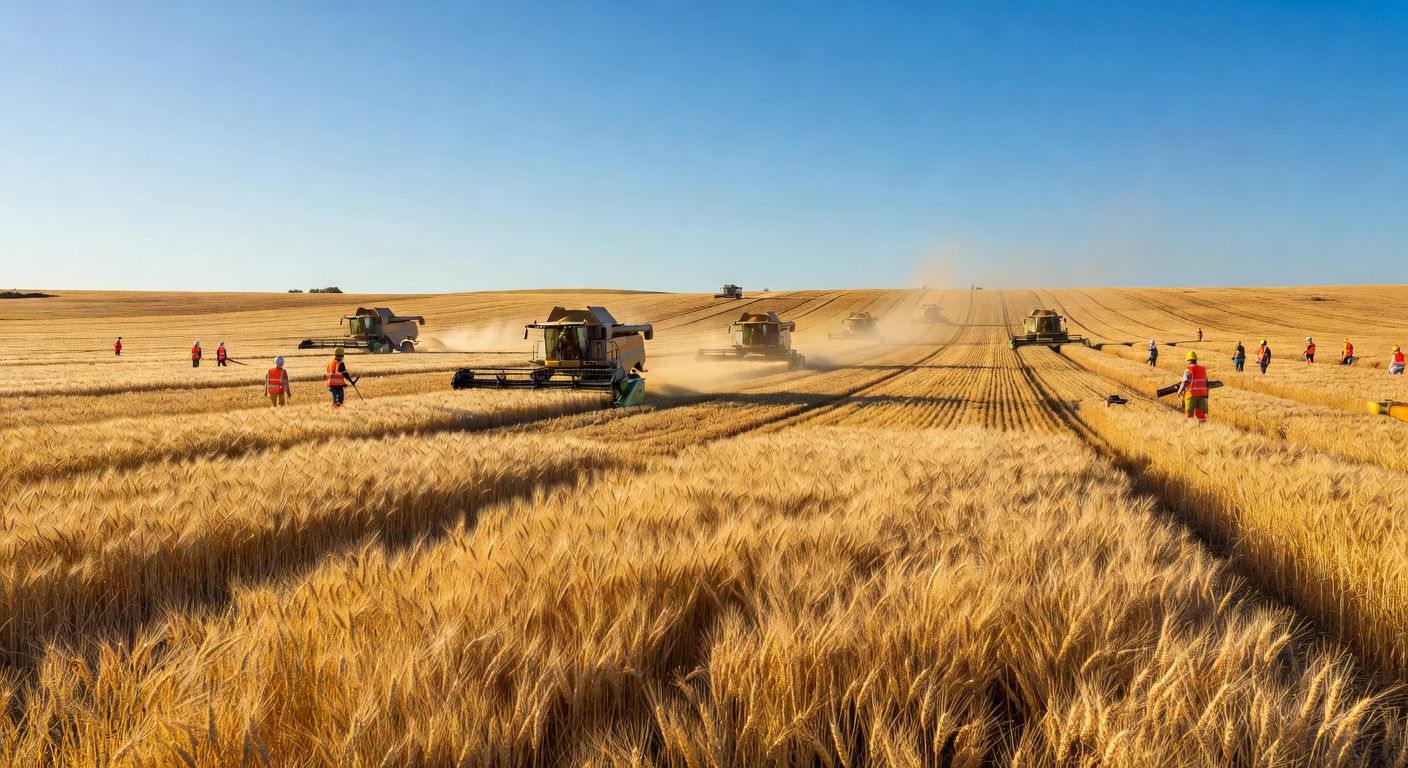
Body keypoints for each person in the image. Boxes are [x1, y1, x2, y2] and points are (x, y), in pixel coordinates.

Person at [1178, 351, 1209, 424]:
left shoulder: (1188, 370)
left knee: (1188, 413)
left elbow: (1184, 382)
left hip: (1191, 394)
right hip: (1203, 394)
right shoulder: (1202, 369)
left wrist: (1179, 391)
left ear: (1189, 360)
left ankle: (1187, 428)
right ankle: (1203, 428)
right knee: (1201, 413)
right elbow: (1206, 382)